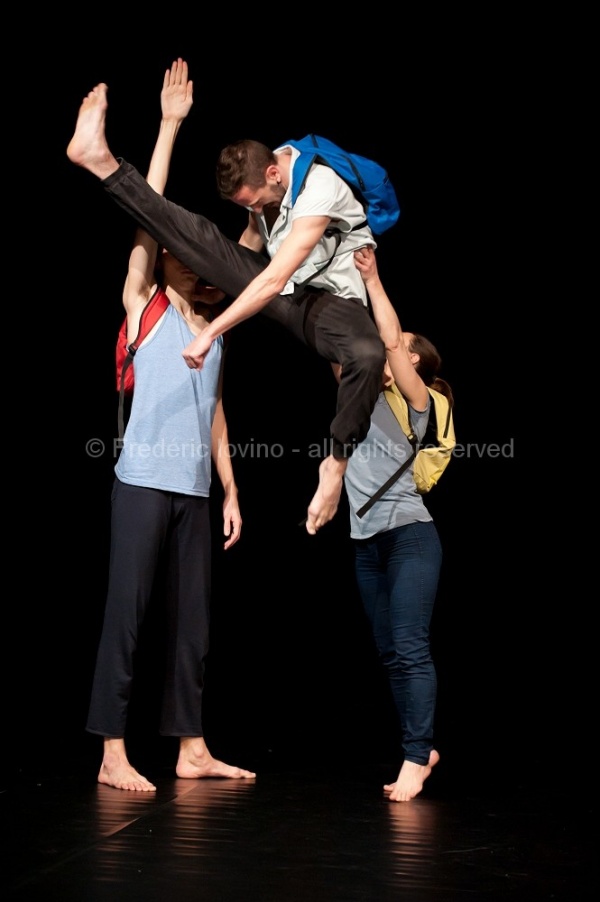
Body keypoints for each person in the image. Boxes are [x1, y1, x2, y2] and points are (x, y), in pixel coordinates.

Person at [66, 83, 386, 537]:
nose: (253, 210)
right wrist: (217, 275)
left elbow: (273, 280)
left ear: (275, 175)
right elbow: (243, 254)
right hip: (282, 287)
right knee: (197, 236)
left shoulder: (319, 187)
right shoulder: (265, 175)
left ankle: (336, 466)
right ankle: (103, 163)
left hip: (328, 303)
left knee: (368, 352)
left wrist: (210, 330)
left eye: (253, 202)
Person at [87, 59, 255, 791]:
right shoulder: (144, 307)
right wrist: (169, 125)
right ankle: (112, 755)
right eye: (179, 250)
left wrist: (230, 488)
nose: (191, 257)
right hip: (140, 485)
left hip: (191, 490)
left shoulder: (213, 328)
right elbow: (145, 208)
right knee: (127, 618)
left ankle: (191, 748)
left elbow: (215, 411)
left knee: (195, 629)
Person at [340, 246, 453, 802]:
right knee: (389, 649)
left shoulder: (417, 402)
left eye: (405, 351)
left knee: (409, 645)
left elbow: (387, 338)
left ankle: (415, 756)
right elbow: (341, 343)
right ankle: (421, 746)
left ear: (418, 368)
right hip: (366, 543)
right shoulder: (359, 392)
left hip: (410, 535)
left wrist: (373, 279)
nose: (392, 350)